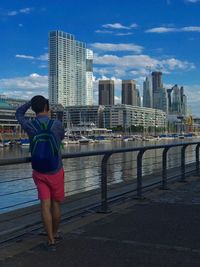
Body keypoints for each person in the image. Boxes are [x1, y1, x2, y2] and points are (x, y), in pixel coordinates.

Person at [16, 95, 65, 251]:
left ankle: (50, 241)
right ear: (46, 107)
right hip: (56, 169)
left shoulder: (30, 125)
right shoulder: (56, 124)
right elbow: (60, 139)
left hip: (39, 171)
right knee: (56, 204)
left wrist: (31, 103)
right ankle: (56, 233)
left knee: (45, 205)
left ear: (34, 108)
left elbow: (18, 113)